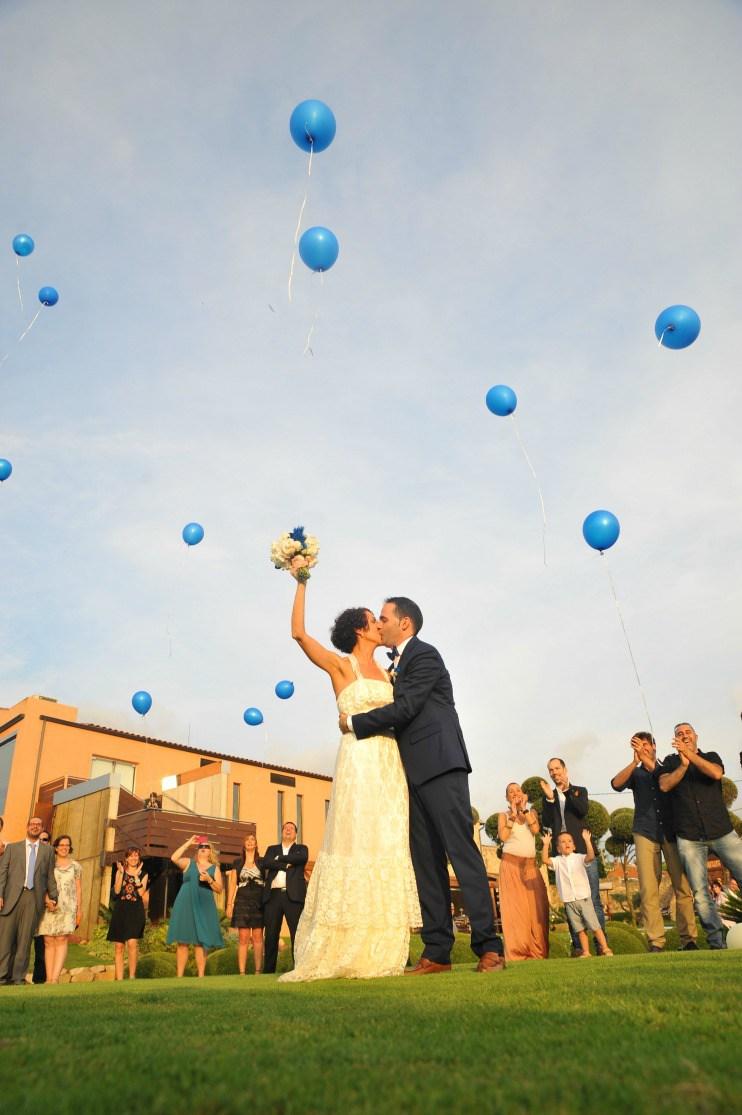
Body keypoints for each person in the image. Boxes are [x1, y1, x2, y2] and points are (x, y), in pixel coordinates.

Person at [339, 596, 504, 974]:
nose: (379, 624)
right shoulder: (393, 667)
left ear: (405, 623)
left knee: (461, 854)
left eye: (384, 618)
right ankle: (437, 951)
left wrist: (354, 723)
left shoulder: (425, 655)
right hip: (408, 777)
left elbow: (407, 707)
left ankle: (489, 947)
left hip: (441, 766)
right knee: (425, 864)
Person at [278, 573, 420, 982]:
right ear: (360, 629)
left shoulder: (391, 674)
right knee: (357, 839)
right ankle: (344, 943)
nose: (380, 625)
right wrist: (301, 580)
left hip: (391, 764)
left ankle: (384, 943)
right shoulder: (342, 665)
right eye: (374, 620)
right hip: (358, 763)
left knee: (388, 841)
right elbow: (298, 633)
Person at [610, 732, 697, 952]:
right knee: (649, 889)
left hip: (671, 831)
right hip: (644, 832)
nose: (643, 749)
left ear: (654, 746)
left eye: (646, 745)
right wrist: (634, 762)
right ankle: (656, 941)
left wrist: (647, 761)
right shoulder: (636, 773)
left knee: (682, 886)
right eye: (638, 746)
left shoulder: (667, 767)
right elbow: (616, 784)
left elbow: (669, 782)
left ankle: (689, 939)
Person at [659, 723, 742, 949]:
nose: (684, 735)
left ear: (696, 736)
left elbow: (716, 773)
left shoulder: (711, 756)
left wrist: (690, 756)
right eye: (679, 734)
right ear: (675, 740)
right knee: (700, 892)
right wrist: (683, 765)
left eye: (688, 732)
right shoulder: (670, 762)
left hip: (721, 831)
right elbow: (665, 785)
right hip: (690, 837)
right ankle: (717, 943)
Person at [540, 758, 605, 953]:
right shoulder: (549, 796)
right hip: (561, 856)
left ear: (565, 769)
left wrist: (567, 790)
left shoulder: (579, 791)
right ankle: (579, 947)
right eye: (551, 770)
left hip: (582, 851)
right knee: (569, 901)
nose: (554, 773)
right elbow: (547, 821)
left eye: (557, 768)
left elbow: (582, 810)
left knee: (593, 899)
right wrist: (550, 799)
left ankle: (601, 945)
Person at [0, 816, 58, 984]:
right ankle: (2, 975)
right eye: (32, 824)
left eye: (38, 824)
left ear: (42, 828)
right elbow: (2, 873)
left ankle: (18, 977)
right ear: (27, 827)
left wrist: (54, 896)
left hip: (33, 898)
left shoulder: (48, 851)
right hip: (11, 898)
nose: (35, 827)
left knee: (24, 941)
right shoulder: (12, 848)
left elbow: (50, 876)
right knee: (5, 939)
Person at [496, 783, 549, 961]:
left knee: (537, 908)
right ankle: (518, 953)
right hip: (510, 865)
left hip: (530, 866)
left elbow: (535, 830)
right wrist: (512, 815)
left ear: (523, 794)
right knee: (515, 911)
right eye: (511, 792)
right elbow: (503, 837)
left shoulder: (530, 813)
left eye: (517, 790)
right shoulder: (503, 816)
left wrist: (524, 810)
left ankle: (538, 952)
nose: (515, 793)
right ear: (507, 797)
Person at [543, 830, 613, 957]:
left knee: (595, 926)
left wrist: (587, 841)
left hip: (584, 899)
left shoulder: (579, 858)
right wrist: (546, 844)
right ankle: (586, 952)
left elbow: (591, 856)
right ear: (558, 849)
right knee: (579, 929)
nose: (567, 843)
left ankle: (605, 948)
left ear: (574, 846)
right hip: (569, 901)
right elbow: (545, 860)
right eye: (563, 842)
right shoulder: (557, 861)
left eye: (569, 841)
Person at [166, 836, 223, 976]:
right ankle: (179, 976)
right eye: (201, 847)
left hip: (204, 905)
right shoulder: (188, 863)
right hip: (185, 904)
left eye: (206, 847)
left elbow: (219, 889)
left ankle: (201, 976)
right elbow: (174, 858)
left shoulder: (214, 869)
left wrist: (209, 880)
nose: (203, 848)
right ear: (197, 850)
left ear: (210, 851)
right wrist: (189, 843)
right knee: (182, 941)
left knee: (200, 942)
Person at [35, 835, 82, 984]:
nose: (64, 848)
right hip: (49, 906)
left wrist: (79, 909)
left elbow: (78, 889)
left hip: (67, 908)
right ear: (55, 847)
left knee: (61, 939)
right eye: (61, 845)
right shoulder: (48, 864)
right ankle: (49, 978)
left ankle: (55, 978)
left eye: (67, 845)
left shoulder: (76, 866)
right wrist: (47, 900)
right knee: (48, 941)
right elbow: (41, 884)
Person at [107, 846, 149, 979]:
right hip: (121, 909)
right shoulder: (120, 871)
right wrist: (120, 873)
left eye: (136, 855)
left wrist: (136, 876)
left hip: (135, 910)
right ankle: (119, 979)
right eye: (131, 855)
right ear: (126, 858)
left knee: (132, 943)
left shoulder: (144, 874)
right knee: (119, 946)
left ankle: (131, 976)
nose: (134, 858)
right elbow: (117, 891)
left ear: (139, 857)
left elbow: (141, 893)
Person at [226, 833, 264, 975]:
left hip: (259, 901)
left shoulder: (262, 861)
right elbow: (232, 884)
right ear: (244, 844)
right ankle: (242, 972)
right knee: (243, 937)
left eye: (252, 839)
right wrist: (229, 904)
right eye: (247, 839)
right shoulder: (237, 862)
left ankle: (258, 971)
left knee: (258, 936)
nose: (250, 841)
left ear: (256, 844)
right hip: (242, 901)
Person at [32, 830, 52, 984]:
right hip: (25, 907)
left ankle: (39, 979)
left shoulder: (52, 861)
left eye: (44, 839)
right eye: (39, 839)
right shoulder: (26, 858)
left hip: (44, 910)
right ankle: (11, 977)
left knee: (41, 947)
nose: (41, 842)